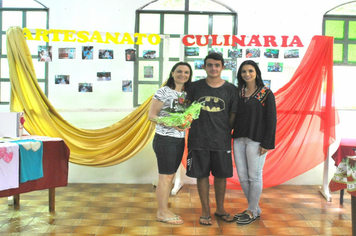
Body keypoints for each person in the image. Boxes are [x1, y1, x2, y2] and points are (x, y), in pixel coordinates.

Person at [185, 53, 238, 225]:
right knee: (201, 175)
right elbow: (186, 111)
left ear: (223, 67)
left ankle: (220, 208)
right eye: (210, 65)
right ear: (204, 67)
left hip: (221, 140)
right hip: (198, 139)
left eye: (217, 65)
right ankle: (205, 210)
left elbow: (233, 115)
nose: (213, 68)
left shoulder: (231, 89)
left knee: (221, 175)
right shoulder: (194, 87)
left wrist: (222, 130)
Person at [232, 60, 277, 225]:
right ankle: (254, 209)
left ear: (256, 72)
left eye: (250, 71)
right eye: (244, 71)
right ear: (240, 74)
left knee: (255, 176)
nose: (247, 74)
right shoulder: (239, 92)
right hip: (238, 139)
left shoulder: (266, 93)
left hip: (256, 140)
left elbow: (271, 120)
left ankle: (251, 211)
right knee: (242, 177)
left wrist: (266, 143)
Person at [148, 62, 192, 225]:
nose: (182, 74)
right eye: (179, 71)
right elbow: (152, 116)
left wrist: (187, 122)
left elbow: (186, 116)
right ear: (172, 73)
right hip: (164, 139)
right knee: (165, 178)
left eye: (186, 72)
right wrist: (172, 123)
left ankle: (164, 210)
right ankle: (161, 212)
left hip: (179, 140)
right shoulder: (163, 92)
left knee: (170, 176)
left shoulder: (187, 94)